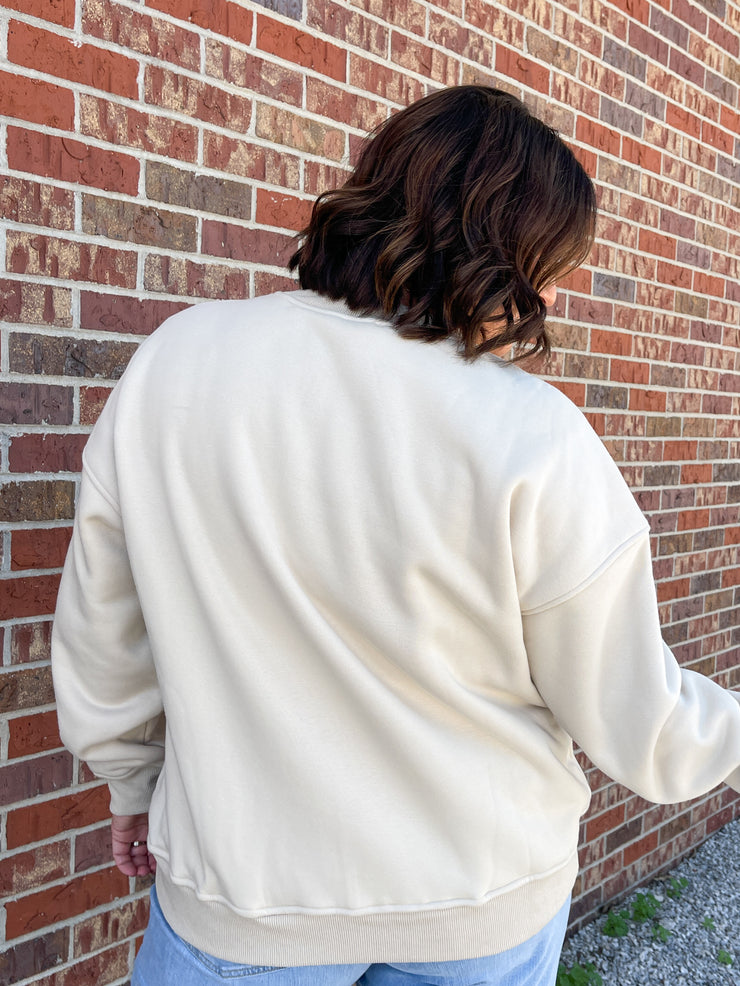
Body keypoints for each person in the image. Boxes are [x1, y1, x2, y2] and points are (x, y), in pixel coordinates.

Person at [51, 85, 740, 986]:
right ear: (509, 259)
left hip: (245, 896)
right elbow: (635, 716)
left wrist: (131, 782)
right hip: (480, 902)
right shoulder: (532, 435)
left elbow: (107, 626)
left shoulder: (177, 365)